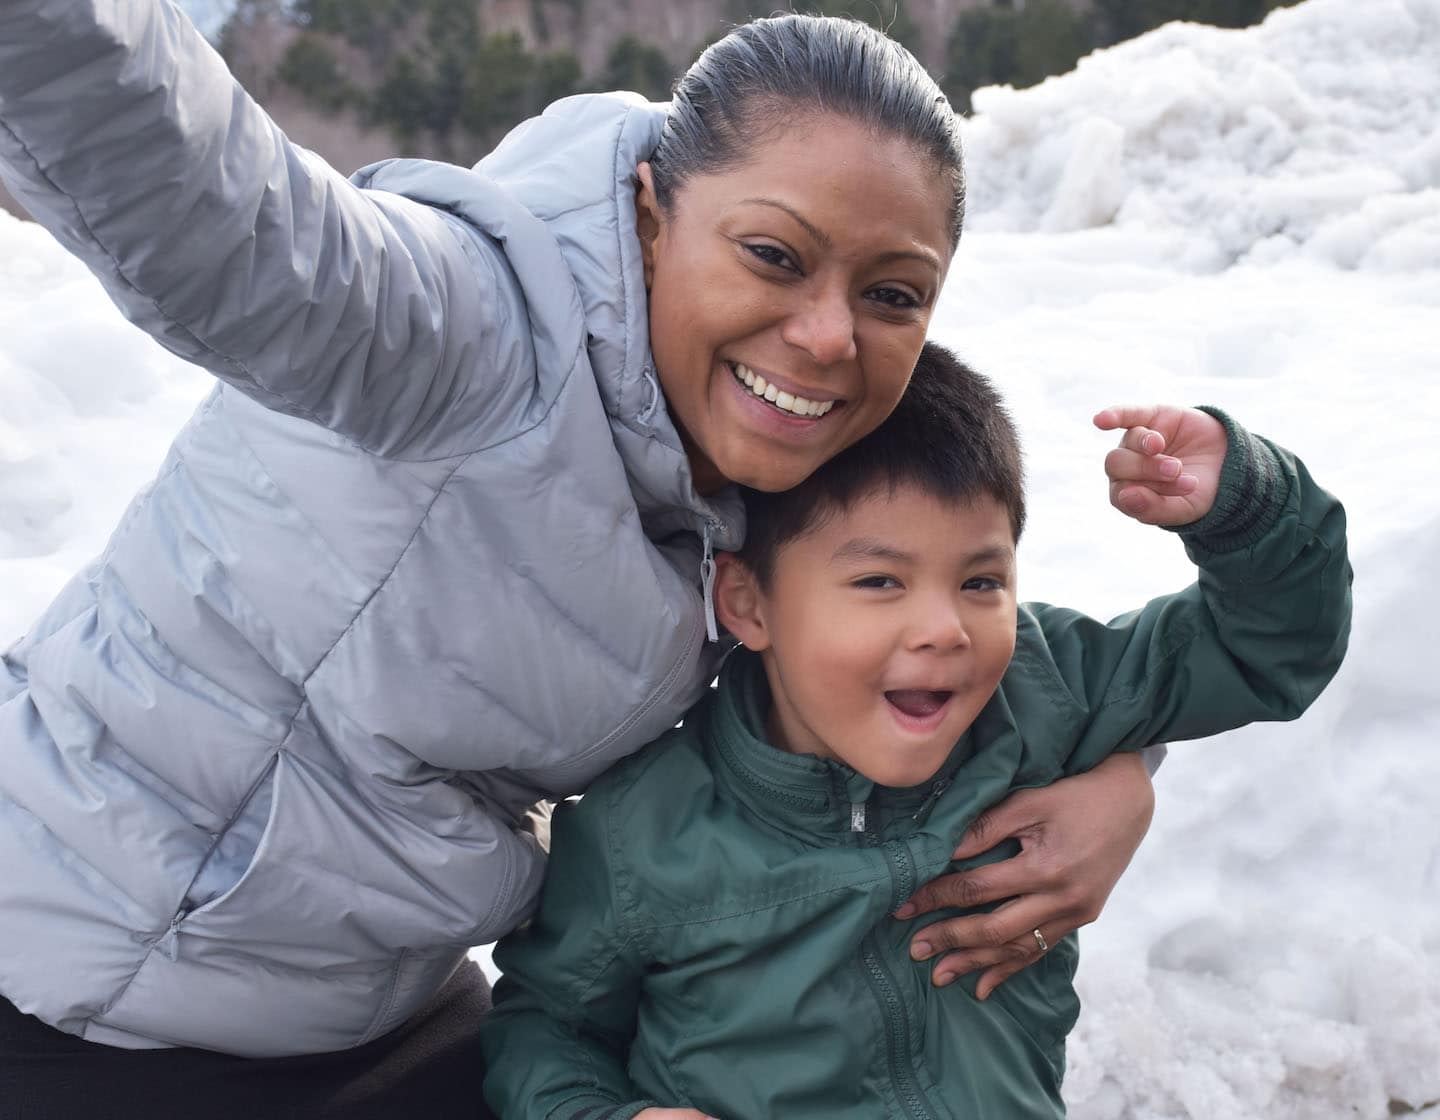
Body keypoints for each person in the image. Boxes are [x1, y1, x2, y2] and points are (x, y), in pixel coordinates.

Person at [1, 7, 1155, 1117]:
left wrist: (1119, 780)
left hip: (373, 995)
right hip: (83, 980)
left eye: (890, 293)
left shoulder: (775, 455)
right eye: (772, 254)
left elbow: (937, 628)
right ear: (654, 213)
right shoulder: (457, 332)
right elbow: (212, 200)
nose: (825, 336)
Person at [479, 344, 1352, 1120]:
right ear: (749, 602)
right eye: (879, 584)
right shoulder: (646, 831)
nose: (945, 629)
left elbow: (1268, 650)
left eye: (980, 581)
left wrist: (1246, 504)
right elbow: (545, 1025)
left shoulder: (1041, 690)